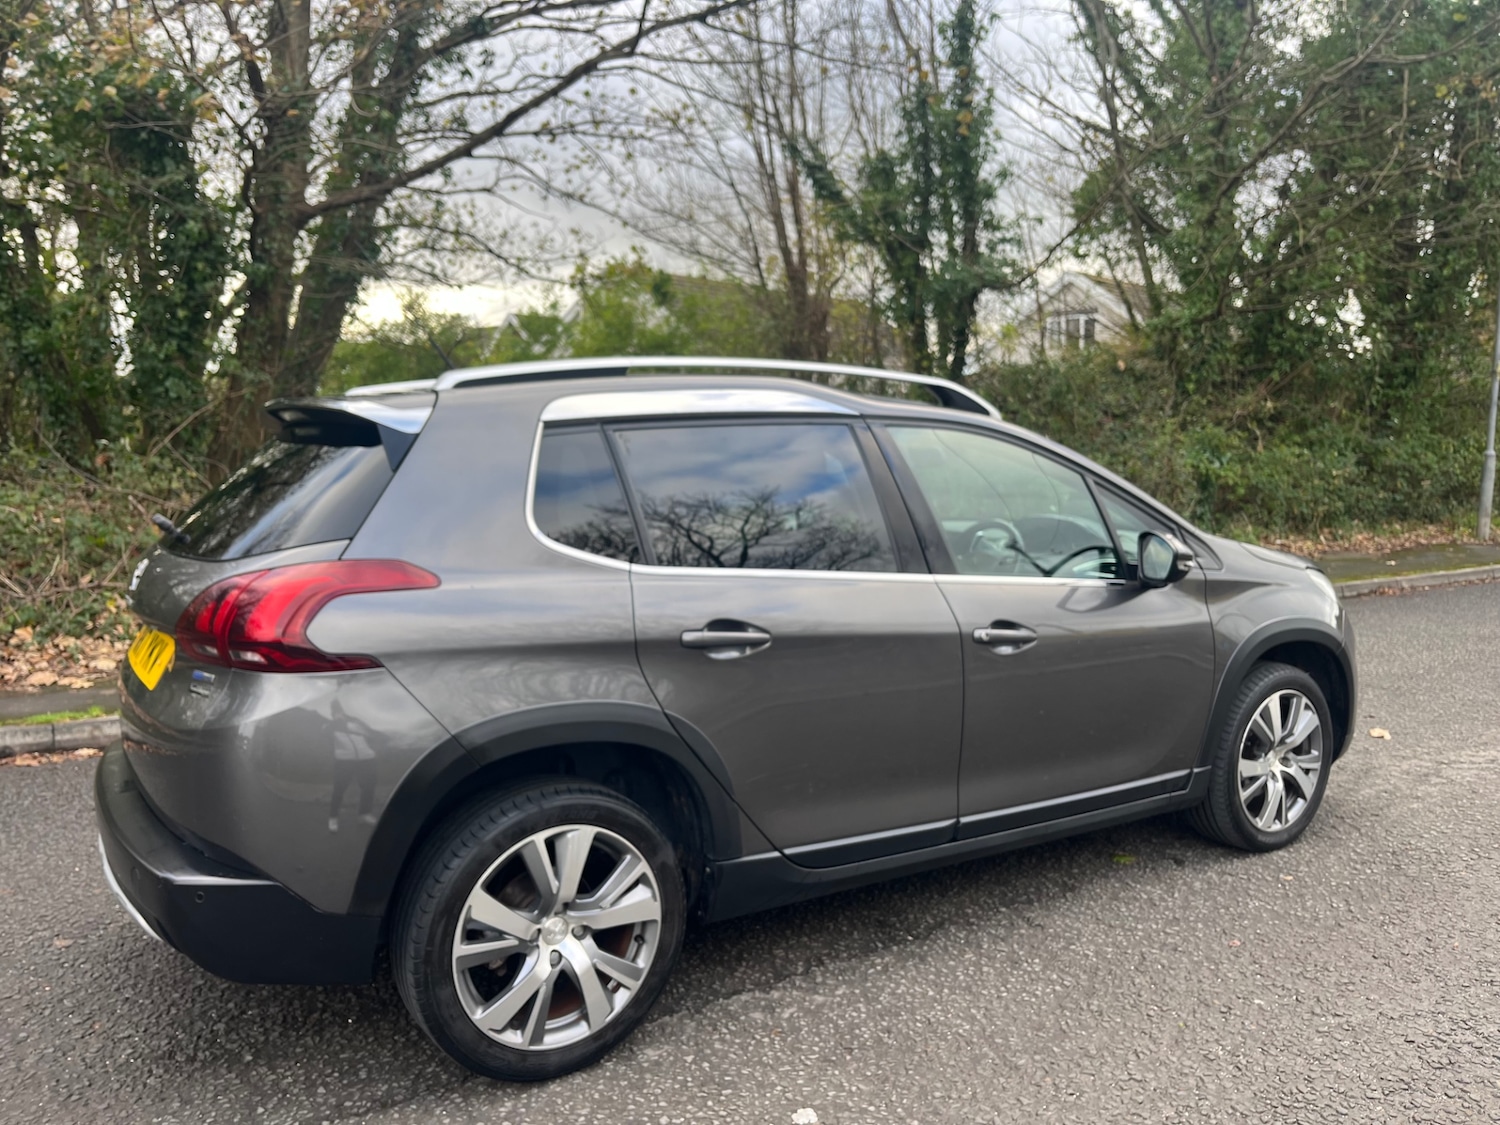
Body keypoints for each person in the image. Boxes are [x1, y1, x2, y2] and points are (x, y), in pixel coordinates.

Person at [328, 699, 377, 832]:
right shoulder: (331, 725)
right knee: (339, 789)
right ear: (333, 713)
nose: (341, 714)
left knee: (368, 787)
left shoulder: (356, 722)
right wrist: (336, 722)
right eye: (337, 711)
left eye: (342, 711)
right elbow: (324, 733)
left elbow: (371, 735)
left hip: (365, 758)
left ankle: (364, 814)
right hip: (344, 760)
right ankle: (333, 817)